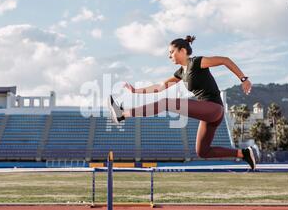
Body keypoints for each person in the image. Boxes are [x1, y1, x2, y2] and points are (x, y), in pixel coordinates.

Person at [108, 35, 260, 170]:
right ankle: (243, 153)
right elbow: (160, 87)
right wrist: (135, 91)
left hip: (214, 108)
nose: (169, 56)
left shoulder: (197, 62)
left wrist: (243, 79)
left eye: (171, 52)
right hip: (208, 113)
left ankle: (123, 114)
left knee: (166, 103)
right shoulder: (181, 72)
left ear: (182, 51)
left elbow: (224, 60)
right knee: (203, 152)